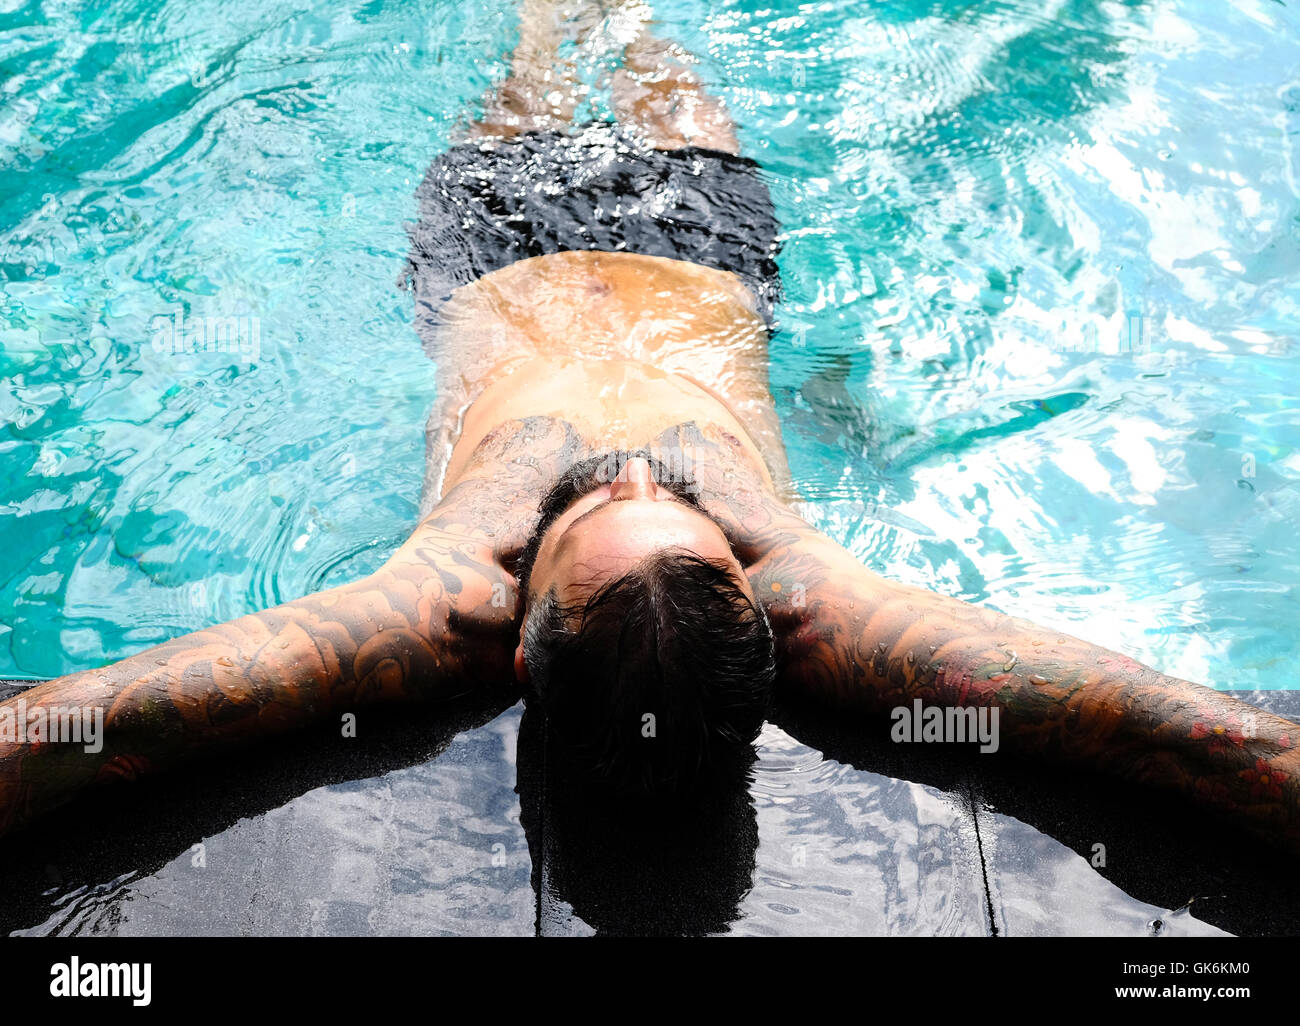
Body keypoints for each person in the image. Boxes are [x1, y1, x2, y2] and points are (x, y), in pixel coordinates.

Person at [2, 0, 1298, 855]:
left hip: (489, 240)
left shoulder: (443, 589)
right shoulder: (821, 597)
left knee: (539, 52)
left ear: (523, 632)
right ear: (757, 587)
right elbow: (1195, 736)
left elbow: (101, 722)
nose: (626, 468)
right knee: (648, 51)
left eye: (596, 503)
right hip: (705, 234)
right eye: (665, 500)